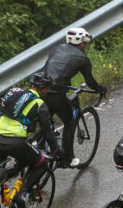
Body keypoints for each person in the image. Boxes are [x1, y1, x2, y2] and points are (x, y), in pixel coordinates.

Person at [35, 26, 105, 165]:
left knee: (46, 119)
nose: (85, 46)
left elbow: (54, 69)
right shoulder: (82, 59)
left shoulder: (56, 48)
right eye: (85, 43)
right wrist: (100, 89)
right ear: (81, 43)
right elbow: (89, 81)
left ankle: (39, 145)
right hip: (55, 92)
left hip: (39, 89)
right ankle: (67, 159)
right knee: (69, 121)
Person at [0, 83, 52, 193]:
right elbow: (47, 132)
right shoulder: (38, 103)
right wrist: (57, 151)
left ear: (32, 86)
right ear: (45, 89)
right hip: (16, 142)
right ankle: (22, 193)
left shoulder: (16, 99)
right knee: (42, 164)